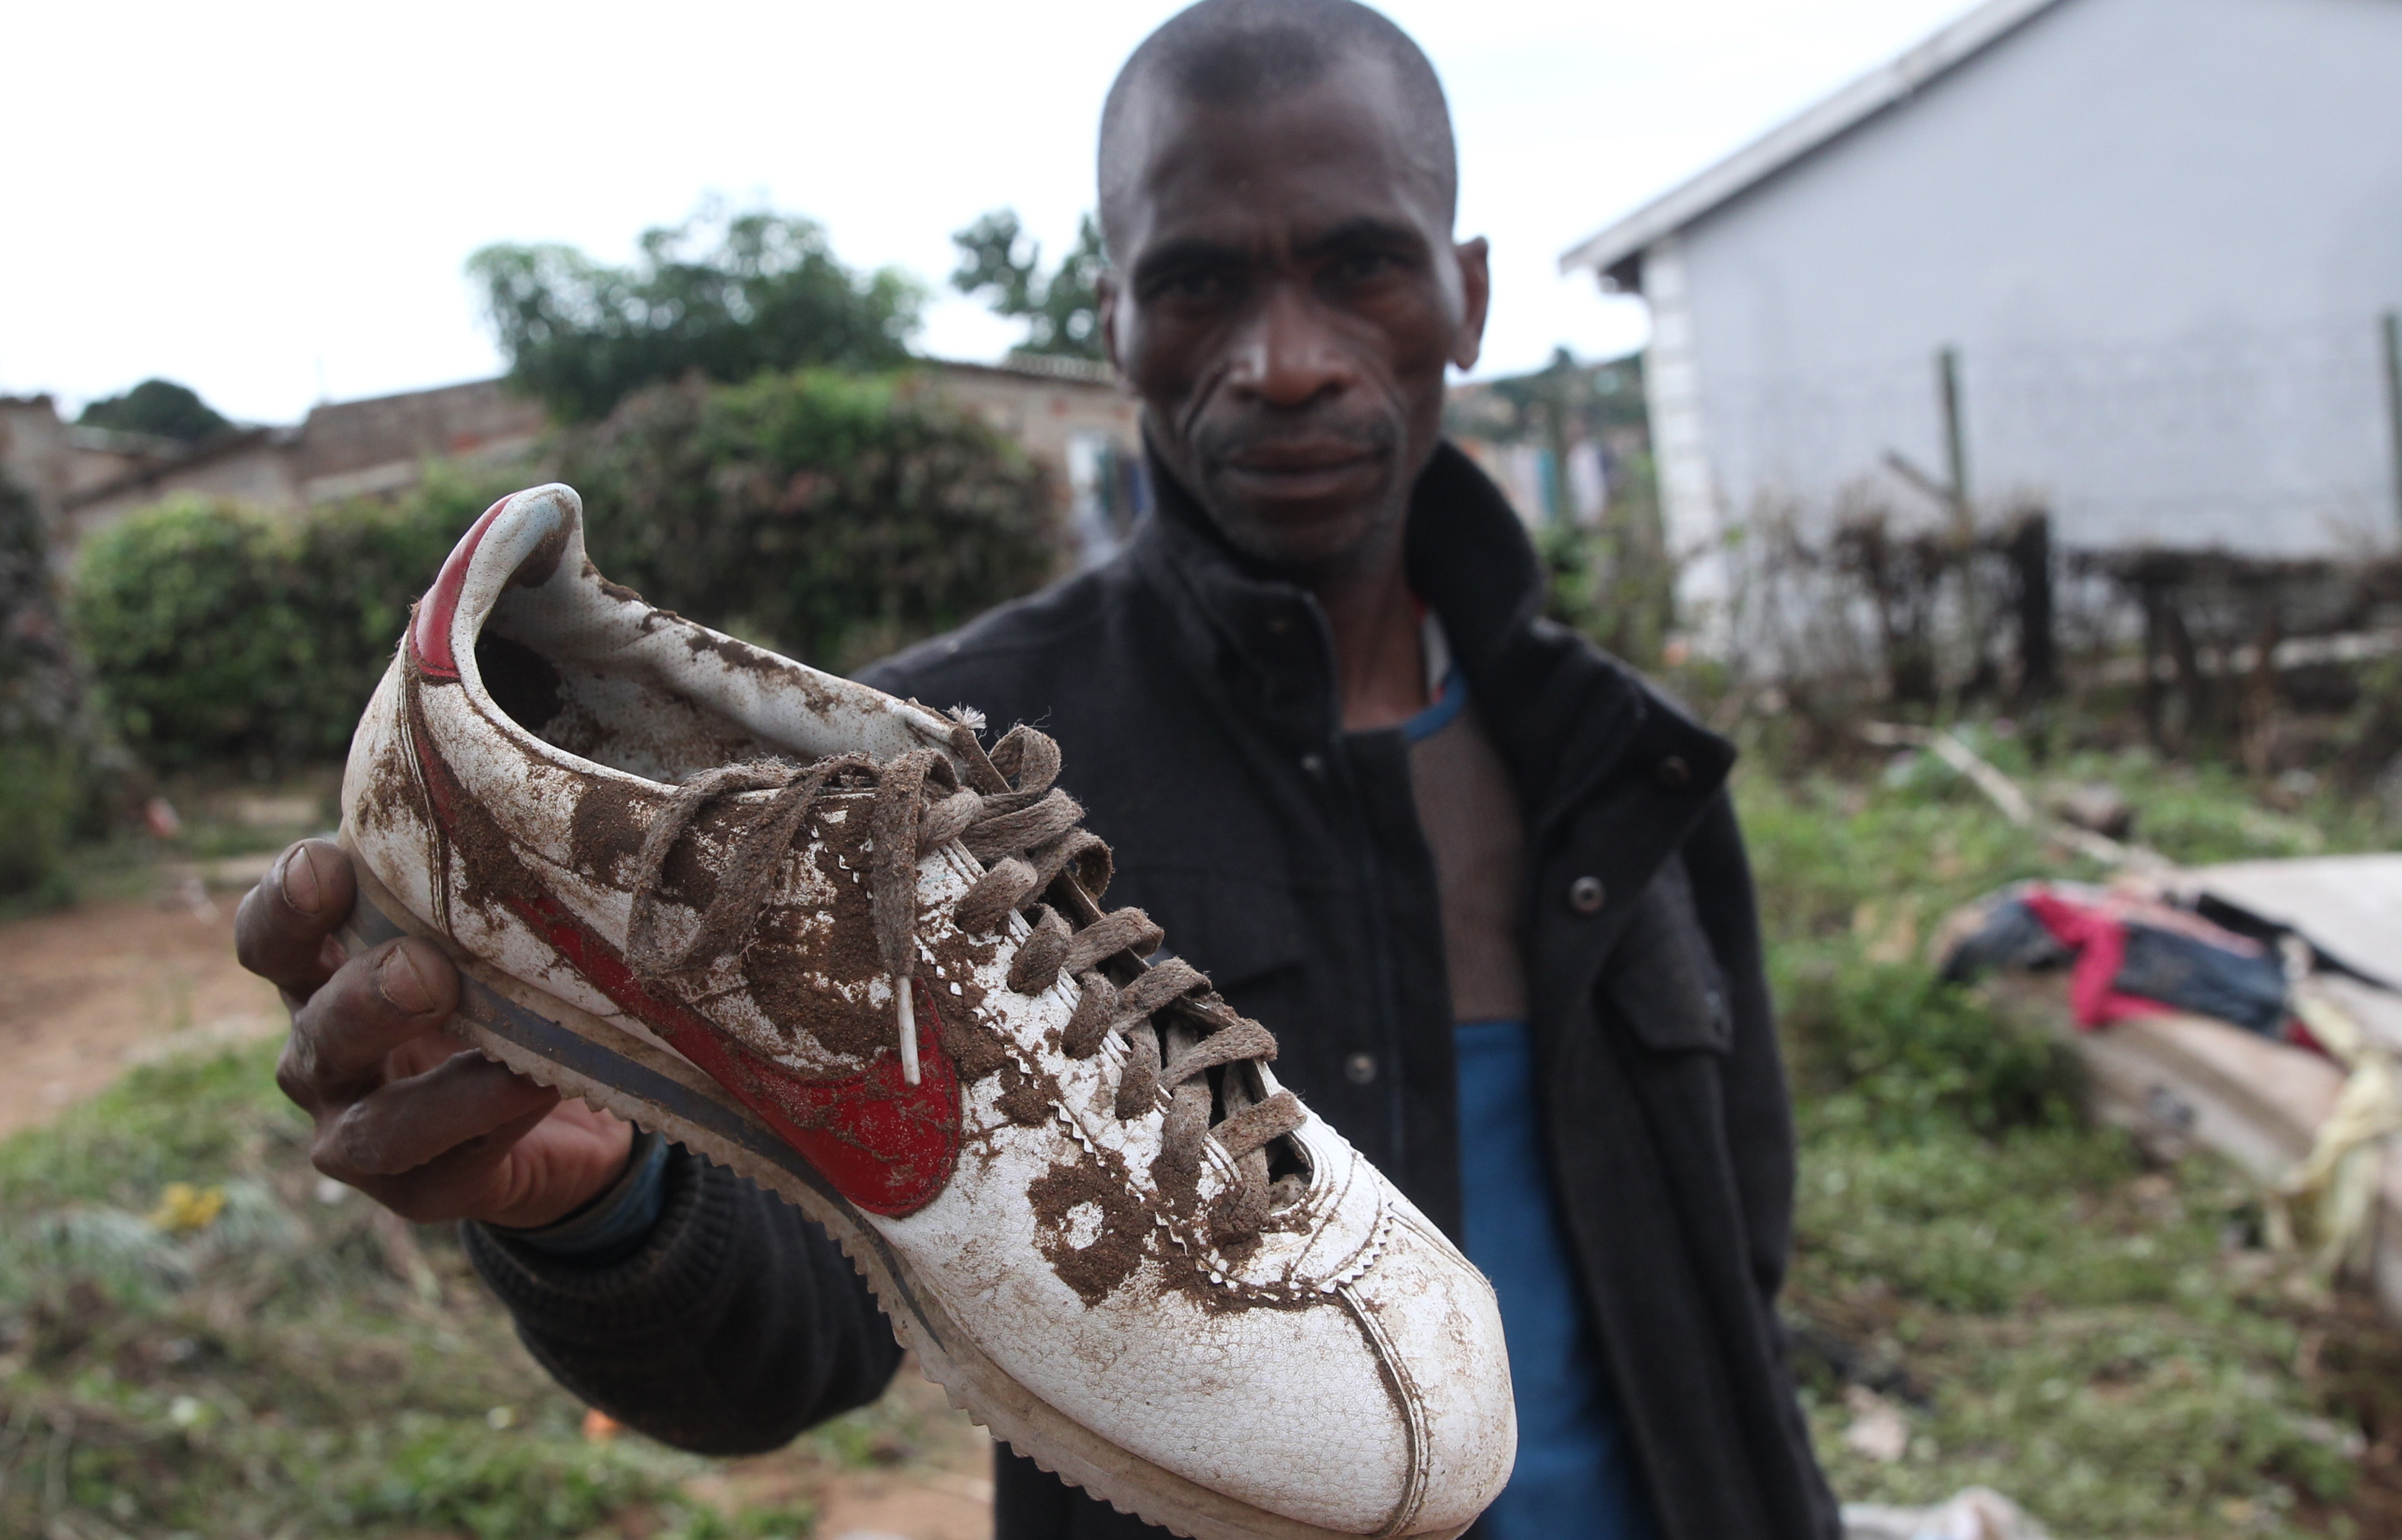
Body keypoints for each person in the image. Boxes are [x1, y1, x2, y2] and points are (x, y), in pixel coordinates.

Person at [239, 2, 1839, 1535]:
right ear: (1113, 319)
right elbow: (806, 1329)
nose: (1284, 359)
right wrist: (601, 1204)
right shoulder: (924, 782)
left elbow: (1730, 1270)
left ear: (1466, 294)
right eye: (1200, 282)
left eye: (1359, 266)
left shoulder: (1625, 760)